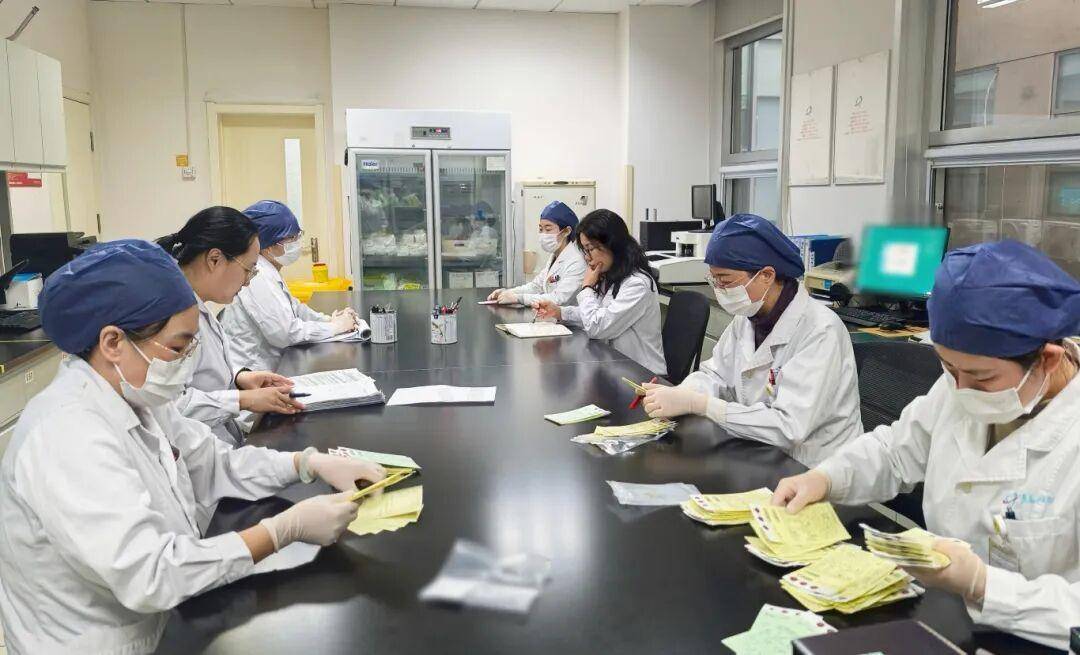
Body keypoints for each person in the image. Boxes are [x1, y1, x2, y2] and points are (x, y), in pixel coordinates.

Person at [0, 239, 385, 654]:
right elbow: (152, 574)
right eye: (179, 347)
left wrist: (306, 463)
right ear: (112, 343)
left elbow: (216, 463)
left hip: (169, 617)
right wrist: (281, 531)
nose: (186, 362)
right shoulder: (67, 435)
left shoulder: (137, 395)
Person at [772, 240, 1080, 650]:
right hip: (941, 619)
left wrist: (982, 584)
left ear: (1048, 359)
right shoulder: (959, 384)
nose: (960, 389)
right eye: (948, 367)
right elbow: (894, 451)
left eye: (982, 378)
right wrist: (825, 478)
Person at [641, 214, 862, 467]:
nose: (718, 289)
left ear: (766, 275)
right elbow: (715, 375)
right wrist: (683, 393)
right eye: (713, 279)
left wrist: (701, 405)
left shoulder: (820, 331)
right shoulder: (748, 318)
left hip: (815, 468)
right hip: (760, 453)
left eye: (725, 280)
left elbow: (788, 426)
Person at [157, 207, 304, 447]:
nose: (247, 282)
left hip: (221, 441)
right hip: (197, 450)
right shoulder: (170, 316)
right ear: (214, 259)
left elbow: (200, 371)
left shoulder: (197, 304)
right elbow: (170, 405)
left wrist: (239, 378)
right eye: (248, 269)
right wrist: (243, 399)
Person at [221, 200, 357, 371]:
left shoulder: (270, 268)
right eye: (291, 238)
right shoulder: (258, 275)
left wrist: (328, 319)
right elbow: (285, 333)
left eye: (298, 235)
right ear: (268, 246)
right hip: (253, 372)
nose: (297, 241)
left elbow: (294, 307)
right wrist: (335, 327)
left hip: (273, 365)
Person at [533, 209, 665, 376]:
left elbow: (598, 327)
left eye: (590, 249)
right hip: (616, 368)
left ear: (611, 245)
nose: (587, 257)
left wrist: (587, 288)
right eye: (584, 250)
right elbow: (595, 315)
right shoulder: (611, 275)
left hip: (642, 376)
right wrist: (560, 312)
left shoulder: (637, 284)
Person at [488, 200, 587, 307]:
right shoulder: (555, 256)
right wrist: (508, 292)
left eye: (548, 229)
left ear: (566, 231)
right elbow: (536, 286)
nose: (543, 234)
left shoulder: (577, 261)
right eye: (541, 229)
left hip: (569, 317)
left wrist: (519, 298)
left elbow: (559, 298)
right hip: (552, 315)